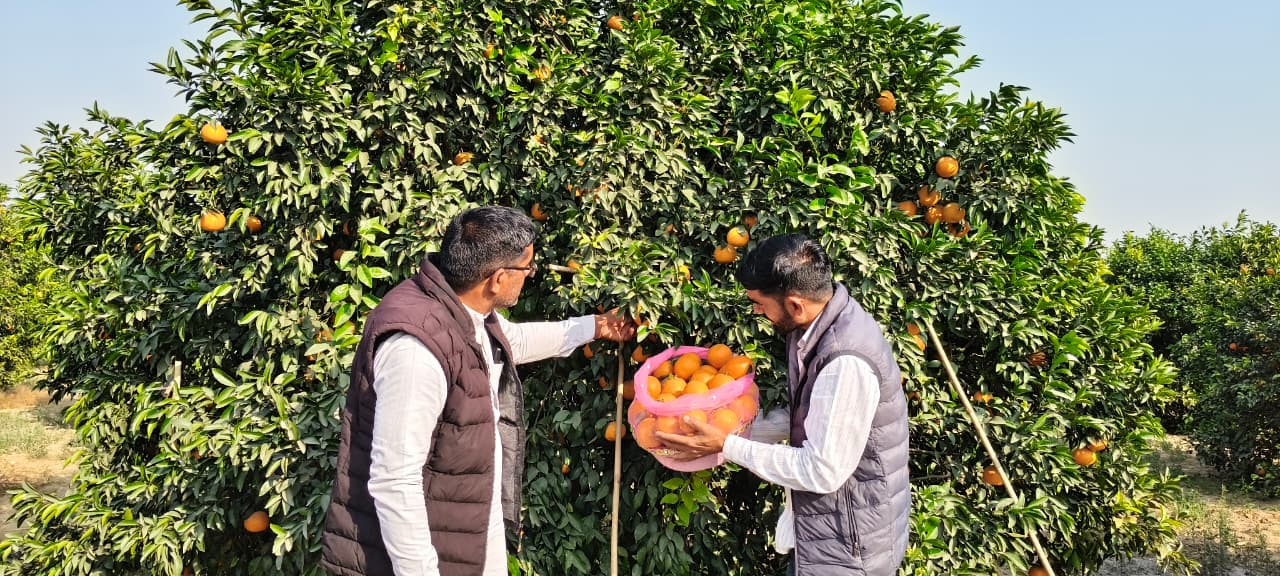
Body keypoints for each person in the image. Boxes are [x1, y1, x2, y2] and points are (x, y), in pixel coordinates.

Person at [320, 206, 635, 576]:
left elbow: (512, 341)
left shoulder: (462, 309)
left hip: (465, 532)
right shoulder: (416, 351)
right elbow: (394, 481)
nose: (530, 275)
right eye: (527, 268)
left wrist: (595, 327)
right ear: (498, 279)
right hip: (423, 554)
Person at [657, 234, 910, 576]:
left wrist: (727, 445)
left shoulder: (844, 362)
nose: (756, 311)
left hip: (849, 551)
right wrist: (736, 428)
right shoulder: (820, 323)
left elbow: (821, 470)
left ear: (794, 304)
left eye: (760, 303)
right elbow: (812, 416)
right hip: (831, 533)